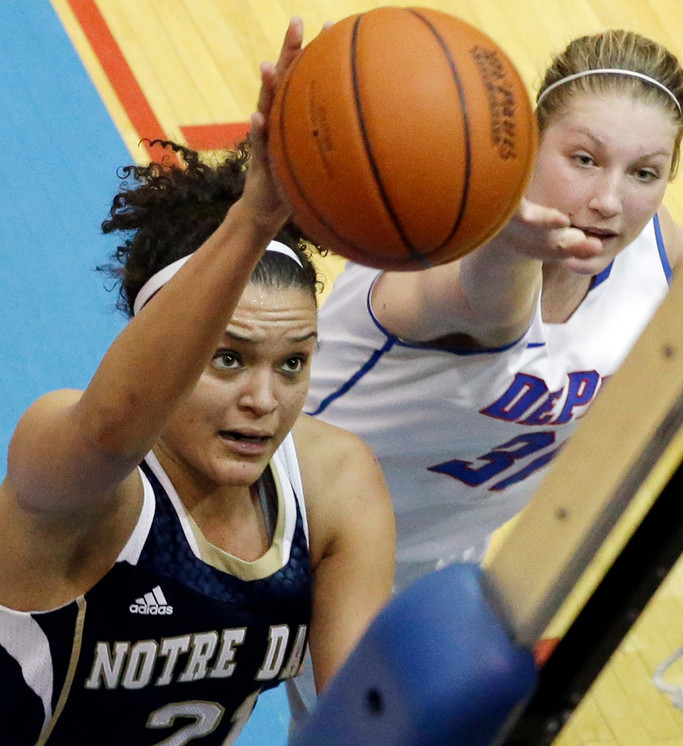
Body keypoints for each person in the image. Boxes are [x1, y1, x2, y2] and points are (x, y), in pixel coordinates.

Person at [0, 18, 394, 745]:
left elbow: (359, 725)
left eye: (294, 363)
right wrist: (256, 214)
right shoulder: (78, 474)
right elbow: (112, 426)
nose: (263, 400)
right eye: (228, 357)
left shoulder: (336, 485)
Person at [306, 28, 683, 592]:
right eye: (584, 159)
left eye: (644, 173)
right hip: (284, 520)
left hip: (427, 562)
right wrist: (510, 244)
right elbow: (490, 303)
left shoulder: (659, 257)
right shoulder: (460, 249)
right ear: (530, 144)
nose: (609, 201)